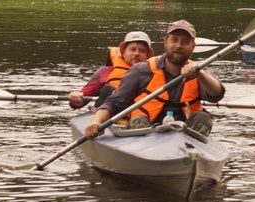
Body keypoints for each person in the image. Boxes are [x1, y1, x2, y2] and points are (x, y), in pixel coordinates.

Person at [85, 20, 225, 140]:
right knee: (138, 119)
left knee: (203, 117)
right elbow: (114, 103)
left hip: (185, 139)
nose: (178, 46)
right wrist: (96, 122)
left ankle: (191, 158)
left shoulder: (199, 72)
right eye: (174, 40)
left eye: (185, 42)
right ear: (165, 42)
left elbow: (216, 95)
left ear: (193, 47)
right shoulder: (141, 71)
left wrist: (199, 74)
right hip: (146, 136)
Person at [68, 30, 154, 109]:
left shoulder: (155, 74)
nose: (137, 53)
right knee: (108, 89)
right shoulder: (105, 72)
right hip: (107, 117)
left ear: (148, 56)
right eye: (133, 49)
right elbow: (79, 102)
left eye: (142, 51)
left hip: (140, 116)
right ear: (123, 52)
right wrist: (76, 98)